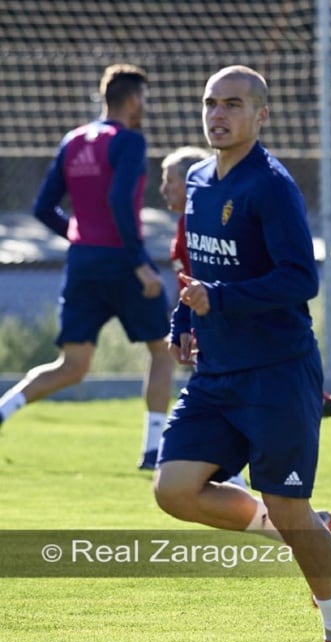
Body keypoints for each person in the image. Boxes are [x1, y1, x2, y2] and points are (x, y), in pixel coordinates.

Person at [153, 66, 331, 642]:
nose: (218, 115)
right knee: (173, 490)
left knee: (294, 510)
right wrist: (186, 318)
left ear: (260, 115)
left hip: (277, 372)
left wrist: (218, 298)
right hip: (218, 374)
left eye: (233, 105)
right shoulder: (197, 179)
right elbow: (199, 271)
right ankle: (279, 525)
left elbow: (302, 279)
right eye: (210, 104)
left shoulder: (271, 186)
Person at [0, 64, 172, 470]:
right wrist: (139, 263)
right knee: (162, 350)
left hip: (82, 261)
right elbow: (118, 204)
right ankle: (152, 451)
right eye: (144, 98)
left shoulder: (73, 140)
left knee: (72, 365)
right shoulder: (129, 141)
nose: (145, 106)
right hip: (123, 261)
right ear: (132, 99)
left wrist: (79, 236)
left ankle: (2, 410)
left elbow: (43, 208)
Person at [160, 147, 331, 433]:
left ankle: (304, 399)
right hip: (212, 329)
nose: (163, 189)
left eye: (170, 180)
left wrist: (209, 306)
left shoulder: (239, 207)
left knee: (232, 415)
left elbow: (291, 278)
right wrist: (184, 321)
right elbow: (193, 281)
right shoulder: (185, 224)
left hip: (235, 330)